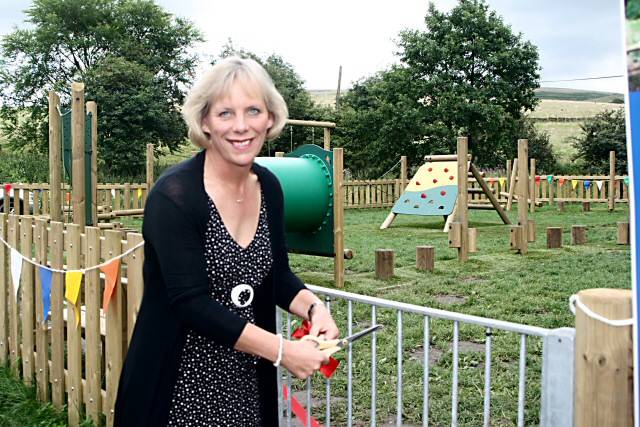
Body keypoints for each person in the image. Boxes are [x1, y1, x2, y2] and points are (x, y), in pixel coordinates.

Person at [114, 56, 340, 427]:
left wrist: (315, 309)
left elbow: (277, 275)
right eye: (225, 114)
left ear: (270, 118)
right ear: (204, 122)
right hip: (178, 388)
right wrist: (283, 351)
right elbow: (190, 303)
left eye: (253, 110)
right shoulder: (174, 196)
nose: (241, 126)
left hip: (246, 383)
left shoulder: (269, 187)